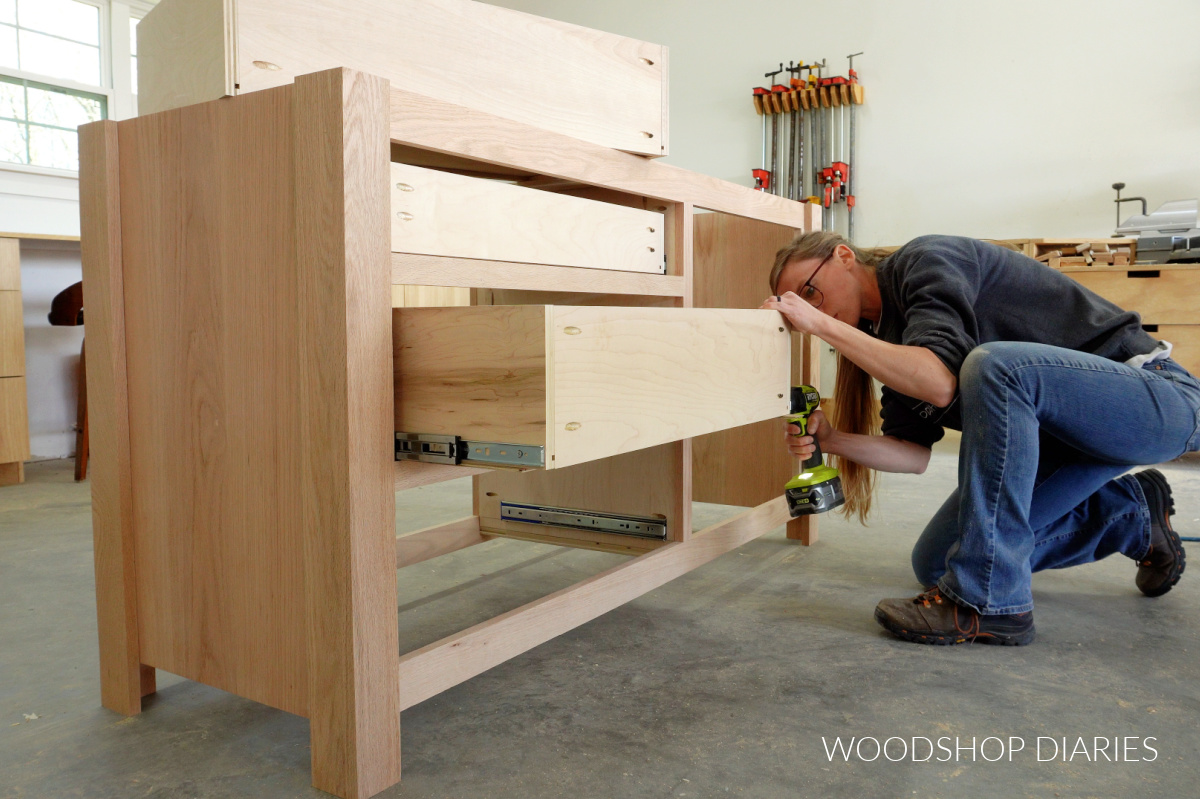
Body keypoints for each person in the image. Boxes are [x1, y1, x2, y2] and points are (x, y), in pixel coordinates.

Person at [760, 232, 1200, 646]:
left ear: (843, 255)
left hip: (1158, 400)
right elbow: (912, 455)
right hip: (1069, 445)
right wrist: (834, 439)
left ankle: (991, 605)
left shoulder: (923, 261)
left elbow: (939, 383)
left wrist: (820, 325)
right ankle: (1130, 515)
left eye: (810, 291)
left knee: (997, 366)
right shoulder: (889, 346)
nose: (810, 309)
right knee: (937, 563)